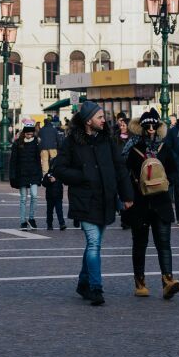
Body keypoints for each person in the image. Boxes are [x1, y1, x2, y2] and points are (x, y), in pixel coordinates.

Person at [52, 101, 133, 305]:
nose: (103, 120)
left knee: (93, 245)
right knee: (94, 243)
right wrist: (83, 175)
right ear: (89, 120)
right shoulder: (71, 141)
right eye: (99, 117)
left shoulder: (108, 140)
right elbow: (59, 169)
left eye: (103, 117)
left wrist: (127, 195)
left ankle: (83, 283)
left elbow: (120, 168)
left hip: (105, 199)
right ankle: (96, 288)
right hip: (84, 200)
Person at [124, 110, 179, 299]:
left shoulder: (164, 147)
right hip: (139, 202)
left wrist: (166, 180)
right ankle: (140, 282)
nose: (150, 130)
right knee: (140, 244)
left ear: (158, 128)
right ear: (140, 128)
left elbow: (174, 170)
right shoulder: (132, 147)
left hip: (161, 201)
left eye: (154, 126)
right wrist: (126, 196)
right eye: (147, 126)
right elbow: (123, 173)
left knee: (164, 244)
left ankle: (168, 281)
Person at [11, 120, 44, 229]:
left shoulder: (36, 143)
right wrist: (13, 175)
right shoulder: (17, 143)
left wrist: (40, 174)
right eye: (28, 134)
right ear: (24, 133)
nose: (30, 136)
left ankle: (31, 218)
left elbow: (38, 160)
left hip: (34, 173)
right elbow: (13, 160)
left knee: (34, 196)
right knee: (23, 198)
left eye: (31, 134)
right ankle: (22, 221)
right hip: (22, 173)